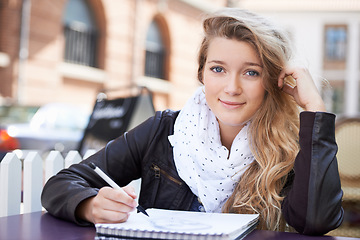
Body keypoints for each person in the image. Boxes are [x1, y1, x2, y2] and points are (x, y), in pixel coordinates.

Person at [41, 8, 343, 235]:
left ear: (273, 80)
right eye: (218, 69)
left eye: (251, 72)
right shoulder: (162, 131)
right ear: (201, 74)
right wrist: (90, 205)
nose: (232, 87)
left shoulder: (291, 149)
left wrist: (314, 110)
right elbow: (60, 185)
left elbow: (316, 222)